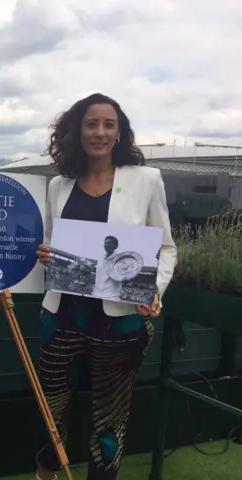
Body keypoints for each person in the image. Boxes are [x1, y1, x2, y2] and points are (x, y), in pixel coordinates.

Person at [33, 93, 177, 480]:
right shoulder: (59, 185)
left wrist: (153, 289)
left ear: (119, 133)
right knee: (52, 409)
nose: (99, 132)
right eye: (91, 124)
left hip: (121, 322)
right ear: (78, 131)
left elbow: (166, 248)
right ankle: (45, 475)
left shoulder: (146, 179)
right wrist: (47, 254)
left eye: (108, 124)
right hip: (61, 316)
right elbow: (51, 244)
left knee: (109, 418)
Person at [92, 235, 123, 300]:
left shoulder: (120, 259)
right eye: (105, 243)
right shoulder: (101, 258)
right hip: (96, 294)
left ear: (115, 246)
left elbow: (122, 276)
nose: (106, 245)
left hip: (111, 296)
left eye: (109, 243)